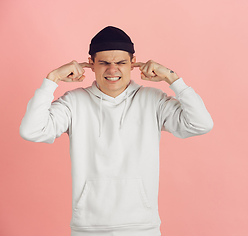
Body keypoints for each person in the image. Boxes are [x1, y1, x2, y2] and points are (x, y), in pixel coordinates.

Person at [20, 26, 213, 236]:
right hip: (88, 228)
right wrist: (52, 79)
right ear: (91, 64)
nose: (112, 70)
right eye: (104, 63)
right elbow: (32, 130)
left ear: (133, 62)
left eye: (121, 63)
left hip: (142, 227)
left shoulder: (153, 100)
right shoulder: (74, 102)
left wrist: (172, 79)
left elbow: (200, 124)